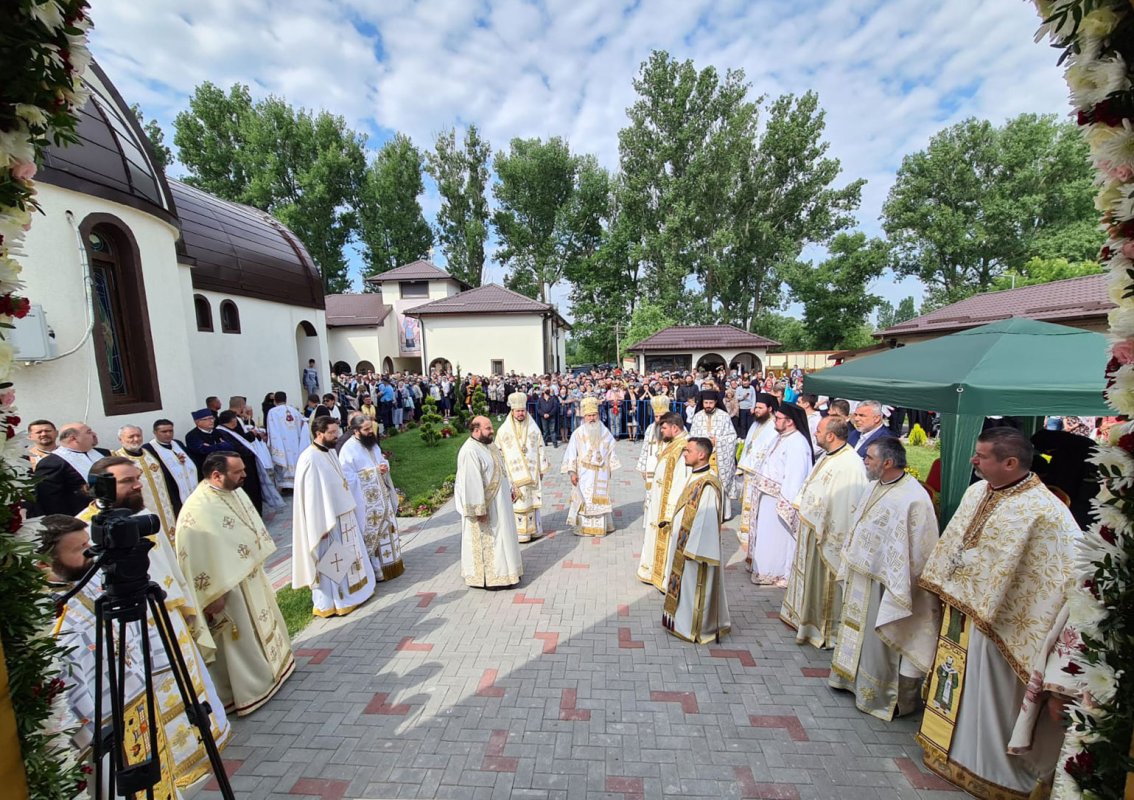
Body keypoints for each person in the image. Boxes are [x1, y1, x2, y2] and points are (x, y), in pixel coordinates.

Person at [916, 428, 1079, 798]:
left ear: (1010, 462)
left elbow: (1064, 576)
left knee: (990, 696)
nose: (973, 461)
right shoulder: (977, 492)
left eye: (981, 456)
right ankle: (947, 751)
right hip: (961, 613)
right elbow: (956, 544)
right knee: (956, 683)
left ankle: (992, 772)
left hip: (1003, 625)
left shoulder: (1046, 512)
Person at [39, 514, 232, 791]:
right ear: (45, 562)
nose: (91, 552)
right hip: (105, 728)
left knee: (160, 781)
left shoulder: (96, 579)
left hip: (139, 702)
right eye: (78, 549)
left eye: (87, 543)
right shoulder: (46, 619)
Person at [827, 438, 941, 721]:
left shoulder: (912, 497)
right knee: (858, 632)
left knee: (879, 638)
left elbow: (919, 548)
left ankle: (879, 693)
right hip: (862, 574)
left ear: (887, 462)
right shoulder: (873, 487)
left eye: (869, 457)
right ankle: (850, 680)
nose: (864, 460)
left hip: (888, 582)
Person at [177, 452, 296, 715]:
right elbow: (193, 556)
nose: (245, 475)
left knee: (261, 626)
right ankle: (249, 689)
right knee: (241, 639)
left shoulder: (234, 490)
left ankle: (272, 671)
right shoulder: (196, 511)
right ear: (217, 475)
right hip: (227, 588)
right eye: (238, 471)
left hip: (249, 577)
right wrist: (209, 596)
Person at [779, 415, 868, 649]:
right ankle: (808, 622)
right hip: (815, 530)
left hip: (828, 537)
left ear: (830, 435)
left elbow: (846, 507)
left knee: (825, 588)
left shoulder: (850, 465)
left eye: (818, 431)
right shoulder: (828, 456)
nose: (815, 434)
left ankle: (825, 630)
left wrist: (827, 531)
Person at [291, 416, 376, 618]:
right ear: (319, 433)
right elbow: (311, 499)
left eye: (336, 432)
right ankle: (332, 602)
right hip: (327, 521)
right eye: (331, 433)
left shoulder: (329, 451)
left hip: (343, 515)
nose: (336, 437)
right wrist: (318, 527)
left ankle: (353, 594)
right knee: (333, 561)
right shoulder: (309, 458)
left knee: (349, 557)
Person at [660, 437, 730, 644]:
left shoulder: (708, 482)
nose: (684, 454)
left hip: (694, 550)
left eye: (688, 451)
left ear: (701, 455)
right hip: (683, 542)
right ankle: (679, 622)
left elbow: (707, 519)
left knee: (693, 588)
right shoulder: (695, 476)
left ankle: (693, 628)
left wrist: (693, 550)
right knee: (683, 588)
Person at [745, 403, 813, 587]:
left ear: (790, 422)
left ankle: (778, 573)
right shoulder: (780, 437)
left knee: (778, 539)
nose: (775, 421)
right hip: (766, 496)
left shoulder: (798, 443)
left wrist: (786, 503)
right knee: (766, 536)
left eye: (779, 418)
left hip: (779, 499)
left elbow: (795, 477)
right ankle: (762, 569)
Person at [455, 416, 524, 588]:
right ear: (476, 430)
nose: (492, 431)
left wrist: (510, 489)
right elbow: (471, 483)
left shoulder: (489, 445)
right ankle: (490, 579)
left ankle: (507, 572)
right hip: (486, 507)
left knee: (504, 538)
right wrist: (479, 511)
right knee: (491, 541)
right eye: (488, 428)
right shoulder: (470, 451)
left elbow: (501, 468)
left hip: (501, 504)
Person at [340, 415, 404, 580]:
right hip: (366, 503)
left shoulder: (372, 444)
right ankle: (378, 571)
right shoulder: (348, 449)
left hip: (382, 495)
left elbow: (381, 459)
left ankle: (393, 564)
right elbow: (348, 479)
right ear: (356, 431)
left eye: (371, 428)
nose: (370, 432)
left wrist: (384, 466)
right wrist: (374, 472)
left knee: (388, 530)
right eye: (366, 429)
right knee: (374, 534)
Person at [638, 412, 691, 589]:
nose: (661, 430)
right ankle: (654, 572)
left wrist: (669, 512)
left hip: (669, 506)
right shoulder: (674, 443)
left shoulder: (684, 448)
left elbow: (680, 482)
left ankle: (666, 578)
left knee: (670, 543)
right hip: (659, 501)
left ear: (675, 428)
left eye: (664, 427)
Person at [562, 397, 622, 537]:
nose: (592, 418)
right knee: (585, 499)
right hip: (584, 473)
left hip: (600, 472)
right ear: (584, 416)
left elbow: (612, 449)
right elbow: (571, 453)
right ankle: (584, 528)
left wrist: (610, 468)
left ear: (598, 415)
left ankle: (600, 528)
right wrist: (572, 473)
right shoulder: (578, 433)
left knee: (599, 498)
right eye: (588, 415)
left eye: (594, 415)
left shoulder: (605, 432)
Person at [495, 392, 550, 543]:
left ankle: (535, 530)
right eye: (518, 411)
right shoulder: (503, 430)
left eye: (522, 410)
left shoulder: (533, 427)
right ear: (512, 411)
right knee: (518, 502)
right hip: (514, 475)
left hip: (532, 473)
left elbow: (540, 447)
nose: (520, 413)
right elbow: (498, 451)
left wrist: (541, 468)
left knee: (532, 501)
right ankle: (520, 532)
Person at [113, 424, 181, 541]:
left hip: (166, 510)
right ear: (120, 439)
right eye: (131, 436)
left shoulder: (152, 452)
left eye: (138, 435)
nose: (136, 439)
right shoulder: (118, 459)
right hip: (142, 510)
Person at [33, 422, 109, 516]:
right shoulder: (51, 463)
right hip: (81, 517)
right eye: (89, 432)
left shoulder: (104, 453)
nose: (94, 434)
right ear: (73, 438)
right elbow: (50, 500)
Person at [736, 392, 779, 545]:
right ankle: (746, 534)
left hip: (762, 474)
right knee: (748, 505)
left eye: (760, 407)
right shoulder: (756, 423)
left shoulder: (775, 426)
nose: (756, 410)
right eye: (756, 407)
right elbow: (748, 445)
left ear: (770, 408)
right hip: (749, 471)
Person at [688, 389, 739, 519]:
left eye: (711, 402)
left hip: (719, 458)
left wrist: (718, 441)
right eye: (706, 402)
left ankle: (722, 513)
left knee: (720, 484)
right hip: (702, 457)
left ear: (716, 402)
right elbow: (692, 436)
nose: (708, 405)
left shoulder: (724, 416)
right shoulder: (698, 416)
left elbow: (732, 436)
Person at [635, 395, 677, 538]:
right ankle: (650, 523)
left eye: (661, 416)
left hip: (666, 469)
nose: (658, 419)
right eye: (656, 416)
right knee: (650, 496)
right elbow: (645, 448)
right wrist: (642, 467)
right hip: (652, 468)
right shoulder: (650, 429)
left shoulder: (674, 429)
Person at [214, 410, 268, 515]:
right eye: (235, 419)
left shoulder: (229, 430)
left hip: (247, 462)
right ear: (232, 420)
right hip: (240, 464)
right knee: (248, 489)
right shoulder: (221, 432)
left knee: (254, 488)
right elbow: (234, 447)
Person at [146, 419, 199, 513]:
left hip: (189, 487)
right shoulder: (148, 449)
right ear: (155, 432)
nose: (168, 434)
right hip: (172, 491)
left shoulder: (177, 443)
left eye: (171, 431)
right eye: (164, 431)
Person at [266, 390, 311, 490]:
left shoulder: (273, 412)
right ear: (286, 399)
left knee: (285, 461)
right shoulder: (294, 411)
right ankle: (297, 483)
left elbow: (272, 429)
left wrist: (272, 443)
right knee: (295, 460)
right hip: (295, 442)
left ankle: (287, 486)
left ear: (275, 401)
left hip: (282, 442)